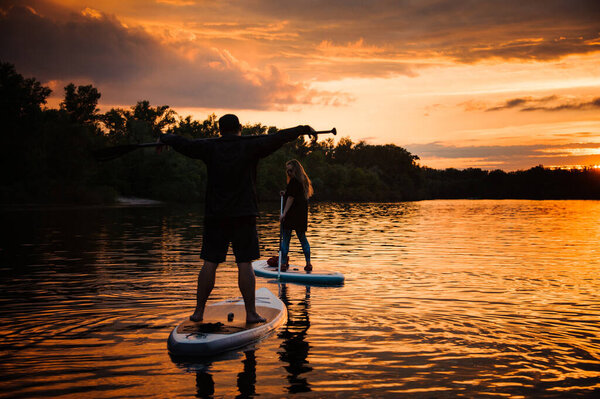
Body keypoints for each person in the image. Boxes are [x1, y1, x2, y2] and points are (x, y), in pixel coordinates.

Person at [159, 114, 315, 323]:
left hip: (216, 214)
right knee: (244, 263)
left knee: (210, 263)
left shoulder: (209, 147)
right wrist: (302, 127)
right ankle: (250, 314)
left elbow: (184, 143)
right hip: (243, 214)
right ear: (240, 128)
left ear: (220, 130)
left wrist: (164, 137)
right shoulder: (250, 146)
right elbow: (278, 137)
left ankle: (198, 312)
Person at [279, 159, 314, 272]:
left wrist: (283, 213)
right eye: (287, 171)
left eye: (291, 170)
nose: (288, 173)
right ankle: (308, 263)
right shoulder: (303, 182)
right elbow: (292, 194)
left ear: (296, 170)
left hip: (292, 215)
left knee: (286, 239)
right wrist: (286, 192)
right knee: (302, 239)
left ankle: (283, 263)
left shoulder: (294, 181)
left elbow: (291, 198)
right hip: (300, 215)